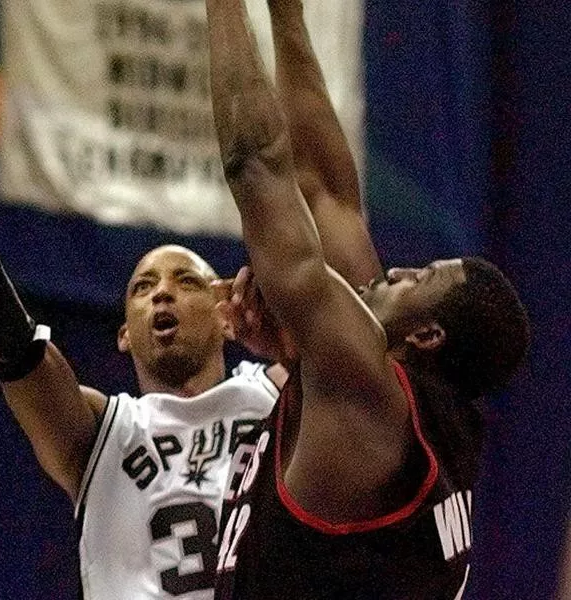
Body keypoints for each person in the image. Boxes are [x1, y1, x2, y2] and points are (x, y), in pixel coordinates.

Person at [0, 17, 284, 599]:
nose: (163, 293)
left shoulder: (280, 396)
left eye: (186, 282)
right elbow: (4, 336)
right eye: (143, 287)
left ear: (227, 311)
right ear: (124, 334)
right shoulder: (102, 434)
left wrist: (293, 346)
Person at [204, 0, 531, 598]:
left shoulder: (367, 388)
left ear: (427, 335)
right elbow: (327, 192)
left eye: (419, 277)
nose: (398, 269)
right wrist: (287, 15)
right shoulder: (409, 399)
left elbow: (255, 168)